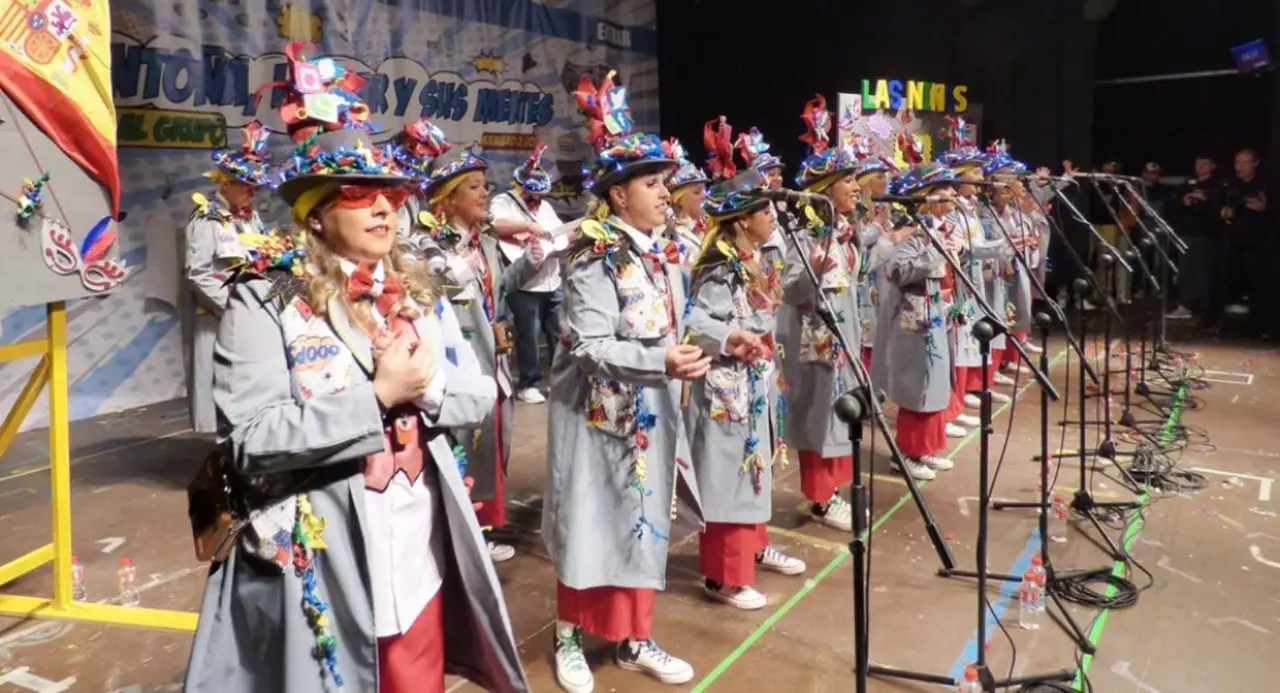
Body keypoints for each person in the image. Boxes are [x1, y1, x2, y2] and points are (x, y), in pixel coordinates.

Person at [182, 43, 527, 693]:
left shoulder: (417, 289)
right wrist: (375, 398)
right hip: (327, 560)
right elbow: (249, 440)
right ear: (316, 209)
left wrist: (425, 396)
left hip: (418, 552)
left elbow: (479, 391)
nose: (383, 208)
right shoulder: (266, 298)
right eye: (358, 192)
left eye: (392, 194)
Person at [545, 70, 706, 693]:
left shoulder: (661, 255)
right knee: (587, 520)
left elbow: (676, 326)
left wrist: (723, 342)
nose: (667, 193)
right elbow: (588, 344)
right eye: (654, 183)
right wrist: (661, 362)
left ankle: (635, 637)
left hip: (649, 416)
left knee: (643, 519)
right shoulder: (594, 257)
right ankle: (569, 638)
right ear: (617, 196)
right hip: (596, 416)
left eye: (666, 182)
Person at [684, 168, 807, 612]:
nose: (773, 216)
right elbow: (695, 324)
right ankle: (724, 576)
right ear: (740, 220)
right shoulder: (718, 268)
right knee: (727, 476)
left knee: (753, 466)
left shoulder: (755, 258)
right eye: (764, 210)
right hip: (726, 386)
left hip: (751, 382)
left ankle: (754, 546)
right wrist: (735, 336)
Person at [417, 133, 541, 564]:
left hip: (494, 357)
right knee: (463, 443)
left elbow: (501, 288)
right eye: (474, 187)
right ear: (447, 200)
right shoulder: (428, 243)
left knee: (492, 442)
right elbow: (428, 288)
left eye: (485, 185)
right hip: (457, 365)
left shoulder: (483, 240)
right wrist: (452, 273)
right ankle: (461, 530)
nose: (486, 192)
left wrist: (532, 261)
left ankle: (481, 525)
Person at [777, 94, 864, 529]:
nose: (856, 188)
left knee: (838, 414)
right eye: (847, 181)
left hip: (840, 339)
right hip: (816, 343)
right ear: (823, 189)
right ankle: (820, 499)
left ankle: (831, 493)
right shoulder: (801, 233)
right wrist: (812, 267)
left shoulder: (845, 231)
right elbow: (790, 290)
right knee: (817, 415)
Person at [871, 164, 960, 481]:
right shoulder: (912, 232)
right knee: (917, 382)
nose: (953, 192)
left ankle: (925, 448)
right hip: (914, 317)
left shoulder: (941, 229)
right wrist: (937, 256)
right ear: (927, 197)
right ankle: (906, 452)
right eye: (945, 188)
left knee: (934, 379)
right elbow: (897, 271)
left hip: (935, 312)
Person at [183, 122, 271, 435]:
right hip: (220, 317)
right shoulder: (207, 216)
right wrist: (232, 307)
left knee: (247, 391)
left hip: (252, 316)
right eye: (246, 184)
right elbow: (199, 273)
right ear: (225, 183)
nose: (253, 191)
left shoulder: (253, 217)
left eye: (255, 186)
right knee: (218, 390)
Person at [489, 144, 566, 404]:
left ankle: (559, 382)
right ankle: (528, 383)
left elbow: (557, 234)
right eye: (533, 195)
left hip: (551, 279)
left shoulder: (545, 207)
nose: (538, 201)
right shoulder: (504, 201)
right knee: (529, 335)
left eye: (541, 196)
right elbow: (496, 225)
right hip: (524, 282)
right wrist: (528, 225)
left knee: (559, 333)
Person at [1167, 155, 1223, 323]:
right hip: (1186, 233)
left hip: (1206, 235)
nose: (1200, 166)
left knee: (1203, 272)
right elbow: (1175, 206)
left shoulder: (1217, 184)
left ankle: (1203, 307)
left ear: (1212, 165)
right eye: (1197, 163)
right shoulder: (1188, 183)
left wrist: (1205, 200)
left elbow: (1220, 209)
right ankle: (1185, 304)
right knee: (1185, 271)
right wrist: (1184, 201)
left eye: (1204, 163)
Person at [1219, 148, 1269, 333]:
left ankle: (1258, 325)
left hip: (1257, 245)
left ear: (1255, 164)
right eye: (1237, 162)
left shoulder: (1264, 185)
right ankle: (1230, 324)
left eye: (1245, 162)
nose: (1240, 167)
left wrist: (1263, 209)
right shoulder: (1231, 186)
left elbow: (1266, 210)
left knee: (1256, 285)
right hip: (1233, 243)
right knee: (1231, 283)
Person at [660, 136, 711, 280]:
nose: (704, 196)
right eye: (697, 192)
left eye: (704, 190)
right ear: (679, 199)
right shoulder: (672, 235)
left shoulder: (702, 227)